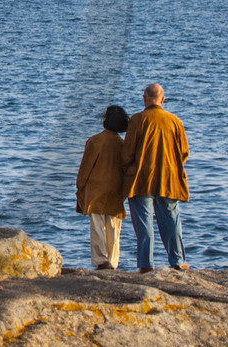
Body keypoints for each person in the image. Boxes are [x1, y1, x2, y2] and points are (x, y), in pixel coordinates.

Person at [122, 83, 190, 273]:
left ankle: (145, 264)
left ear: (144, 99)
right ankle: (178, 260)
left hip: (141, 179)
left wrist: (129, 170)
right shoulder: (174, 121)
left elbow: (127, 154)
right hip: (168, 179)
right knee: (171, 220)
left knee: (144, 223)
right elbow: (184, 152)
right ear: (162, 99)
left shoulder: (137, 120)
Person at [76, 105, 128, 270]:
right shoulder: (122, 144)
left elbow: (85, 169)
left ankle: (101, 259)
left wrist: (80, 187)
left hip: (96, 189)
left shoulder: (95, 141)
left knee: (98, 226)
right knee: (113, 228)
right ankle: (112, 261)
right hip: (115, 190)